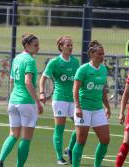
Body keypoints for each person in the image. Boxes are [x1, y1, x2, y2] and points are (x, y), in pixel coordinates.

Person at [0, 33, 43, 167]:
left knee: (13, 134)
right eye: (35, 45)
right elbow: (28, 82)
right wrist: (37, 102)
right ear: (27, 46)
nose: (38, 47)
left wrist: (11, 98)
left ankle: (0, 160)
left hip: (14, 101)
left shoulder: (16, 58)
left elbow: (11, 80)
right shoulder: (30, 60)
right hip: (26, 103)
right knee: (26, 138)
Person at [39, 35, 80, 165]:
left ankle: (69, 149)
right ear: (61, 47)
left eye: (71, 45)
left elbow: (78, 81)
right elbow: (43, 77)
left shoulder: (75, 62)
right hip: (60, 99)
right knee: (60, 129)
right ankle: (59, 157)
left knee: (80, 125)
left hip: (73, 99)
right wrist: (42, 92)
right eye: (68, 45)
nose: (70, 47)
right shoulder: (54, 62)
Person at [72, 40, 111, 167]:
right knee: (81, 140)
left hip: (98, 109)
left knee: (105, 140)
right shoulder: (83, 69)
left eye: (103, 53)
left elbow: (103, 89)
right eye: (99, 54)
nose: (102, 56)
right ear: (92, 54)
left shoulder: (104, 69)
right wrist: (77, 107)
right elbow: (75, 89)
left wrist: (107, 107)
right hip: (84, 109)